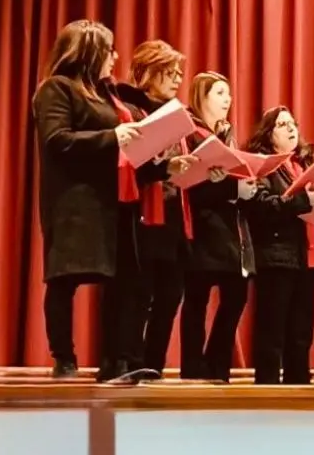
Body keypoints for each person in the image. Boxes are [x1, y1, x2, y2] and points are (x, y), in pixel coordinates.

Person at [31, 20, 194, 383]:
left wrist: (166, 167)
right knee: (64, 280)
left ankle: (117, 362)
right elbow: (58, 140)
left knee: (125, 284)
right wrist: (113, 135)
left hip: (116, 201)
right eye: (109, 51)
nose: (115, 57)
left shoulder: (106, 94)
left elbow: (130, 154)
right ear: (88, 52)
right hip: (74, 203)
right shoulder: (56, 89)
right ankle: (65, 359)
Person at [115, 40, 195, 376]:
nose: (177, 79)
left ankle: (153, 365)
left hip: (176, 219)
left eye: (179, 73)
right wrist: (167, 166)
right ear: (147, 72)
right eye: (169, 72)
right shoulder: (131, 110)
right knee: (139, 297)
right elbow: (131, 163)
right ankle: (132, 363)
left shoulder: (178, 116)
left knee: (169, 298)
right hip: (144, 217)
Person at [243, 106, 314, 384]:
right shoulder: (263, 166)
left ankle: (299, 391)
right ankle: (268, 394)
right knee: (272, 333)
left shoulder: (304, 165)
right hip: (277, 258)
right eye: (282, 125)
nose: (291, 128)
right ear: (269, 135)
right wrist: (302, 201)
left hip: (308, 259)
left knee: (301, 334)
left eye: (293, 123)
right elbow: (261, 206)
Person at [178, 71, 259, 382]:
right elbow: (191, 184)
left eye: (228, 94)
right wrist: (230, 189)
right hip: (200, 228)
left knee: (235, 297)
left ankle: (216, 364)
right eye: (220, 93)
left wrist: (246, 186)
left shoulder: (227, 135)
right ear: (202, 97)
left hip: (229, 230)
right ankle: (192, 368)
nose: (228, 100)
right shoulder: (191, 133)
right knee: (196, 300)